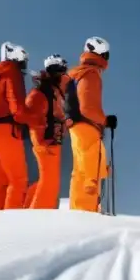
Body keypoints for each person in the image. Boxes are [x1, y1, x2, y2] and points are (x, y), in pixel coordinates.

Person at [0, 42, 42, 210]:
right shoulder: (12, 73)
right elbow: (17, 111)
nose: (25, 65)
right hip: (8, 133)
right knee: (18, 181)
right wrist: (37, 120)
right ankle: (12, 225)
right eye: (24, 60)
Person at [66, 36, 116, 212]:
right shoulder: (91, 74)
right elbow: (87, 108)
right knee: (91, 174)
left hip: (74, 128)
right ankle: (88, 214)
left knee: (79, 172)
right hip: (87, 127)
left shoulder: (75, 73)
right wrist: (105, 120)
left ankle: (77, 210)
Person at [23, 54, 70, 209]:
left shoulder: (52, 91)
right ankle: (38, 214)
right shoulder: (43, 92)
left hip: (50, 140)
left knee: (47, 178)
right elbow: (32, 116)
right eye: (62, 69)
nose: (64, 73)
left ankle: (26, 207)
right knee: (49, 181)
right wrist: (44, 135)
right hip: (46, 142)